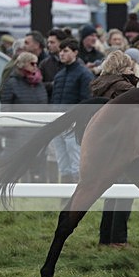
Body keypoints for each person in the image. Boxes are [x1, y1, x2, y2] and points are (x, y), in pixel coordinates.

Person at [90, 51, 139, 248]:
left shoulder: (101, 85)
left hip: (104, 143)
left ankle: (105, 237)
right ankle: (118, 239)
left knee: (110, 192)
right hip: (122, 144)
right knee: (124, 192)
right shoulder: (123, 88)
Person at [0, 51, 48, 182]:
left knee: (36, 160)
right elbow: (6, 107)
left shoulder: (38, 83)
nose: (35, 66)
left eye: (36, 64)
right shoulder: (11, 83)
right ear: (23, 64)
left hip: (36, 129)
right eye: (32, 64)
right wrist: (9, 126)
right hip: (17, 131)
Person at [50, 38, 93, 183]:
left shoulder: (84, 74)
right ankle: (65, 198)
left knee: (76, 163)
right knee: (63, 163)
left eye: (65, 51)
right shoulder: (59, 75)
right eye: (61, 51)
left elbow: (86, 101)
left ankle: (76, 197)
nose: (61, 54)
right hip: (59, 123)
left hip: (74, 124)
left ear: (75, 52)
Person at [40, 28, 69, 100]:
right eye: (48, 42)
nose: (49, 45)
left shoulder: (74, 62)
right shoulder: (44, 64)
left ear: (62, 43)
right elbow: (38, 85)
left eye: (52, 42)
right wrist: (52, 85)